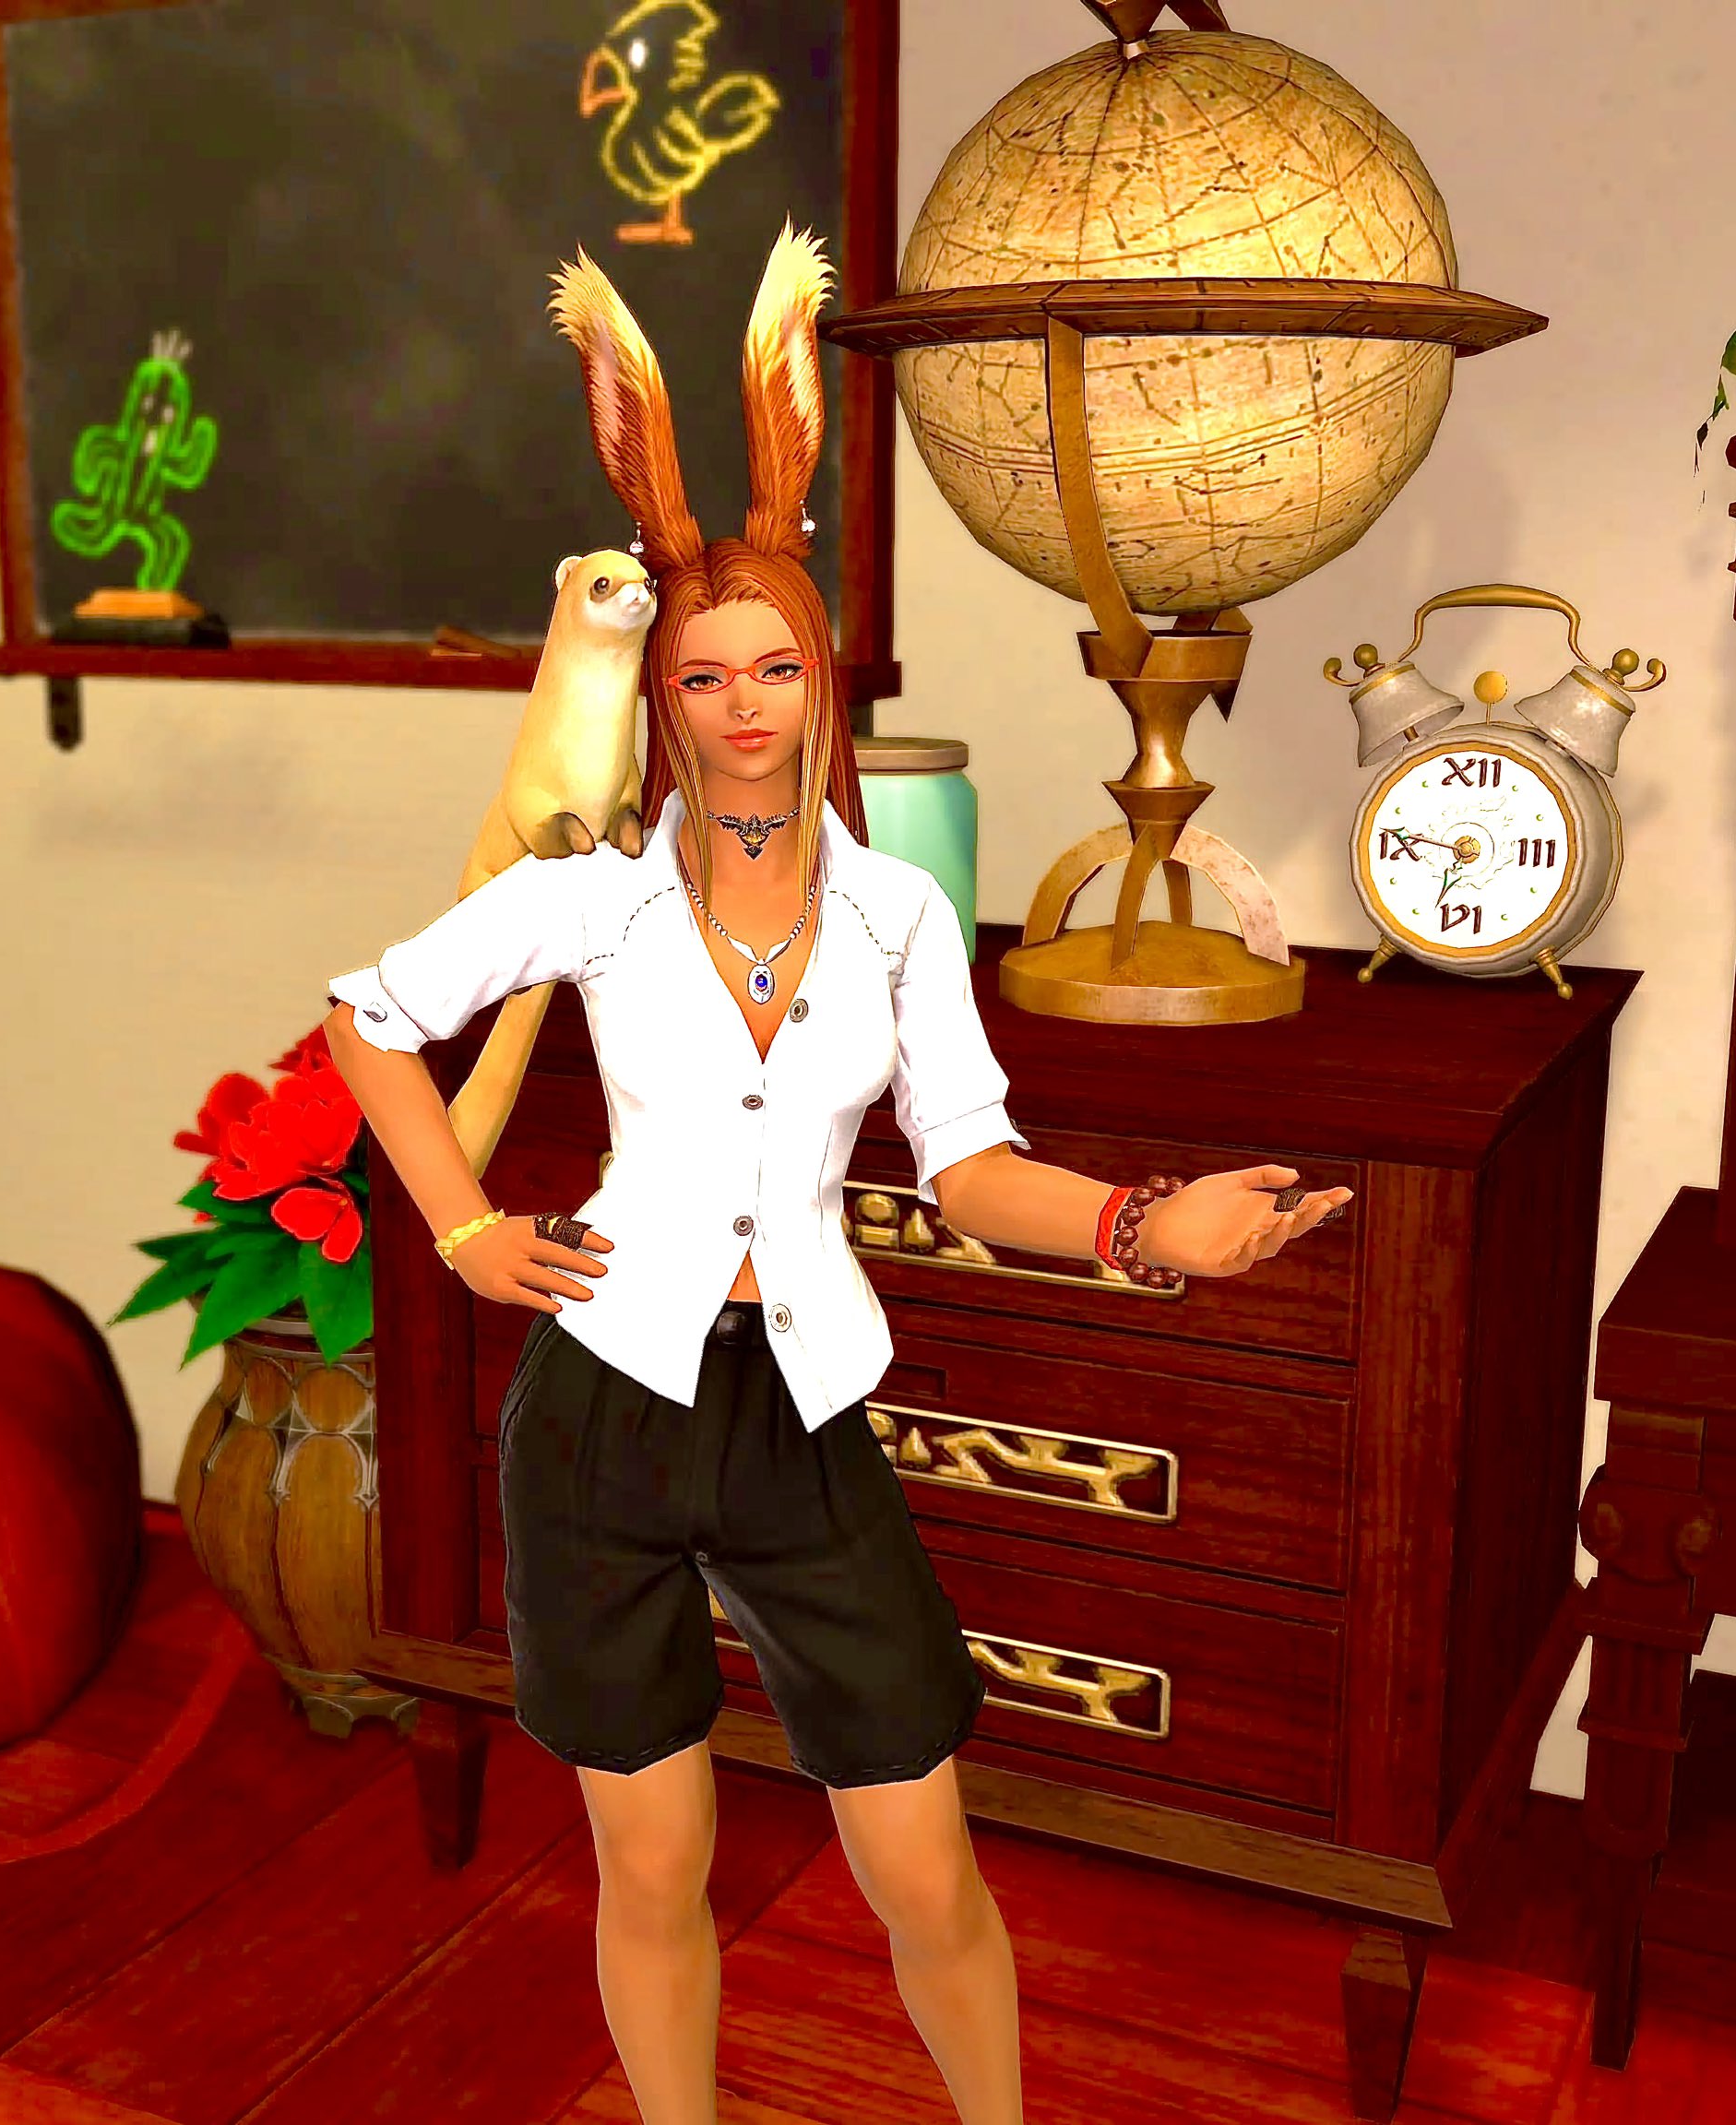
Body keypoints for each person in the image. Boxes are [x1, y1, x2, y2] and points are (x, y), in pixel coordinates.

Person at [318, 226, 1349, 2125]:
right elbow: (365, 1020)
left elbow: (969, 1169)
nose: (740, 707)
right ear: (662, 697)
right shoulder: (590, 902)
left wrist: (1142, 1228)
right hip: (600, 1418)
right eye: (703, 675)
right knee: (649, 1868)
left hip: (799, 1421)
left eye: (774, 667)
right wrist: (459, 1227)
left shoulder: (895, 917)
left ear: (821, 678)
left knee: (923, 1863)